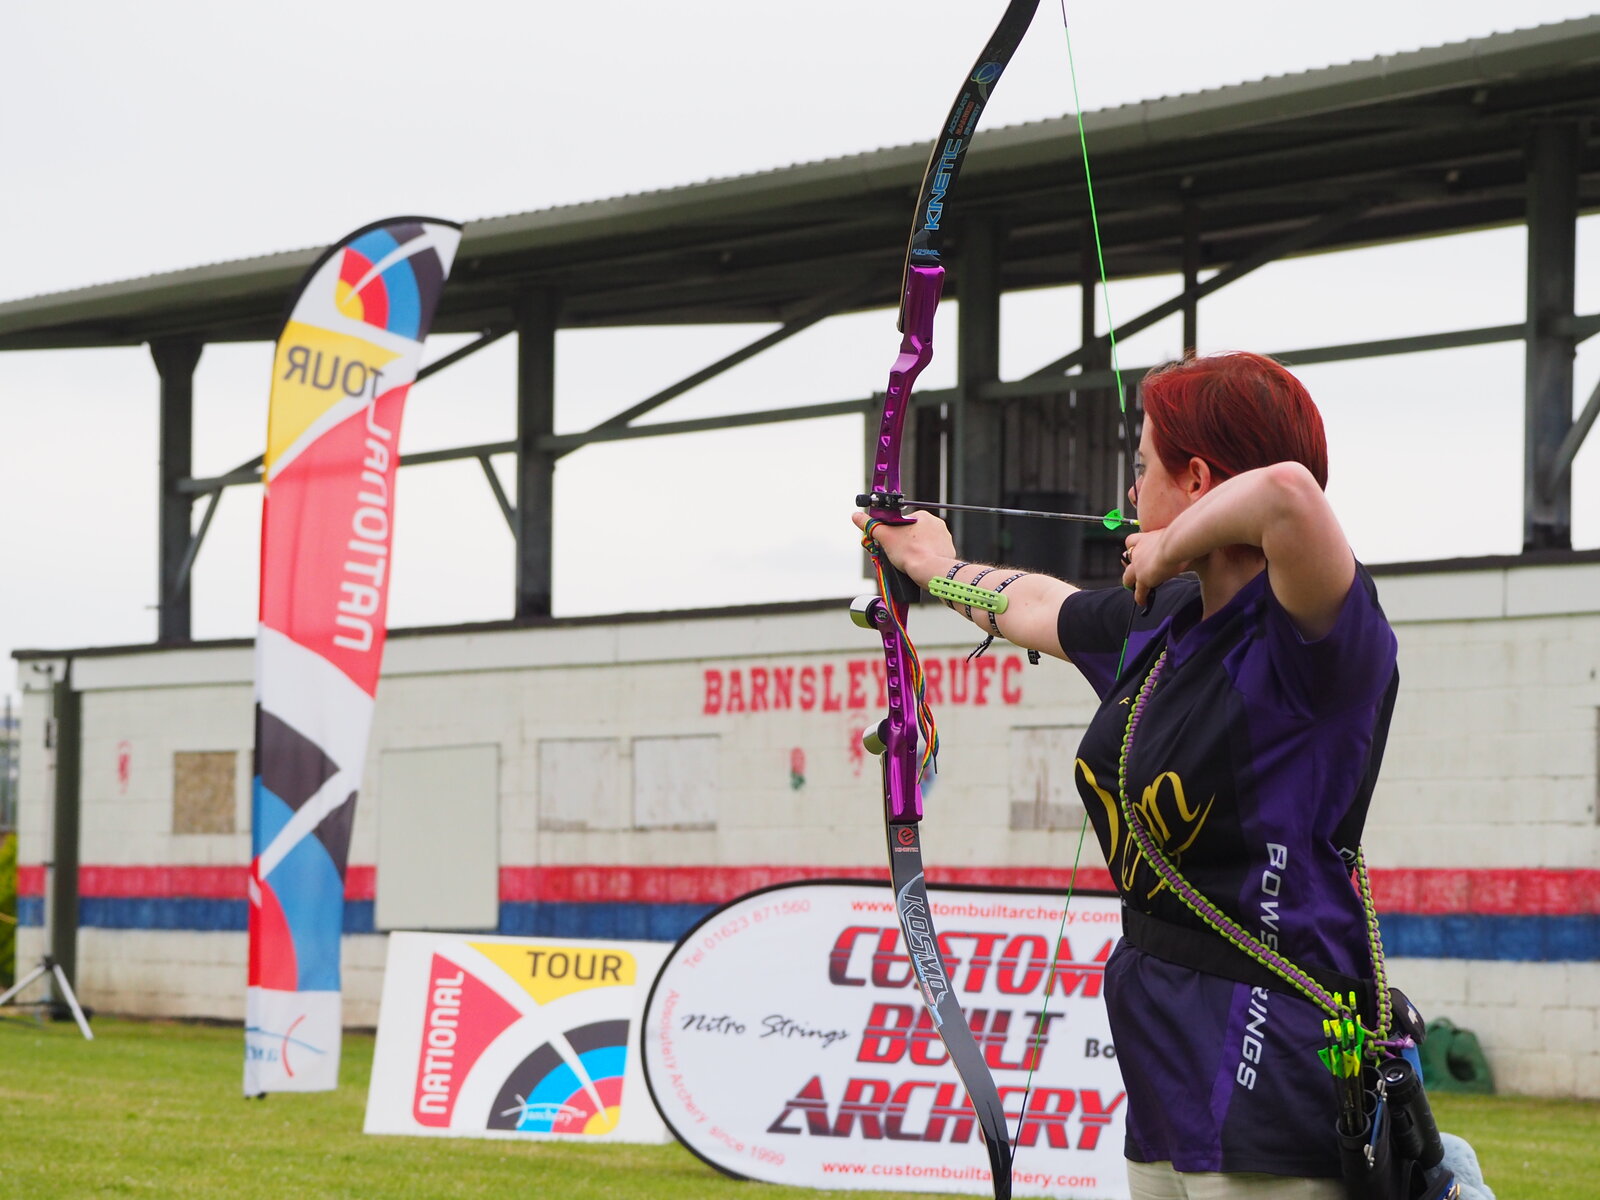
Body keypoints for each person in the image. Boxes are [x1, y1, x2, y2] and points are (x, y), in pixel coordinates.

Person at [854, 351, 1399, 1200]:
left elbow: (1288, 493)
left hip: (1270, 1055)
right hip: (1162, 1045)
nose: (1130, 493)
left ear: (1195, 478)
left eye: (1142, 467)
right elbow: (1036, 604)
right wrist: (932, 565)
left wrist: (1166, 549)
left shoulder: (1315, 638)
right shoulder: (1168, 621)